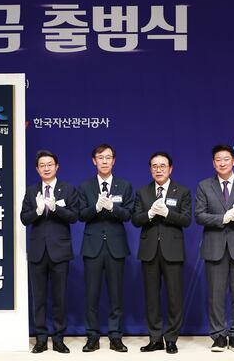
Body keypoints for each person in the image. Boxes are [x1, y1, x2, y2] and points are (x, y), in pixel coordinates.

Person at [195, 144, 234, 352]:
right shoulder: (204, 186)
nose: (222, 163)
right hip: (214, 247)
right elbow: (199, 215)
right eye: (218, 160)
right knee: (215, 294)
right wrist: (222, 218)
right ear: (213, 163)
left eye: (226, 159)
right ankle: (219, 336)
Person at [131, 152, 192, 354]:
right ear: (150, 169)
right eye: (155, 166)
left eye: (162, 166)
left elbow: (186, 220)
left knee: (174, 297)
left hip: (172, 251)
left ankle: (171, 339)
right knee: (151, 298)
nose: (158, 170)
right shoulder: (143, 192)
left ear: (170, 169)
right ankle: (155, 338)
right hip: (149, 251)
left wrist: (167, 213)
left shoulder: (182, 191)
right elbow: (135, 220)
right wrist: (149, 214)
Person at [19, 150, 79, 354]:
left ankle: (59, 338)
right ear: (37, 169)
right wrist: (37, 211)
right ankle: (41, 339)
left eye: (50, 164)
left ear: (57, 167)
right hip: (37, 252)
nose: (46, 168)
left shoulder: (67, 189)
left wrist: (56, 208)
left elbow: (74, 216)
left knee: (59, 297)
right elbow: (24, 218)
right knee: (39, 298)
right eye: (42, 165)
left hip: (60, 251)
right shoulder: (31, 191)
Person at [78, 144, 133, 353]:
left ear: (114, 161)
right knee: (91, 295)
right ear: (94, 161)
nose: (104, 161)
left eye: (108, 157)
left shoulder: (124, 185)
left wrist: (112, 207)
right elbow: (81, 215)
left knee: (116, 295)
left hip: (115, 247)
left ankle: (115, 336)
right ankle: (92, 336)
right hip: (92, 246)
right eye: (100, 157)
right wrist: (96, 208)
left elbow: (128, 215)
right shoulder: (85, 186)